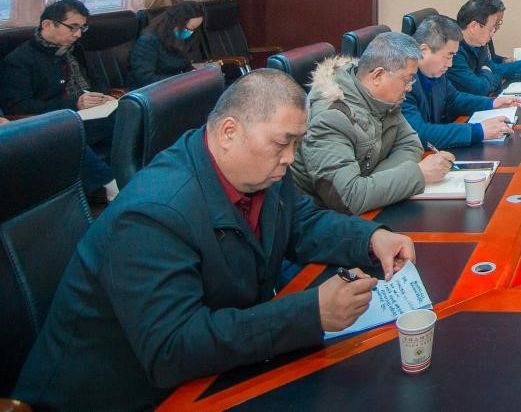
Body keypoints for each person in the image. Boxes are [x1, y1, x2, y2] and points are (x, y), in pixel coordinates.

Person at [14, 70, 417, 411]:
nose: (291, 157)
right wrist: (310, 313)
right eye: (283, 143)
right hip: (118, 395)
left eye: (297, 142)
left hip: (209, 373)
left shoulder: (260, 172)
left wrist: (370, 237)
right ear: (228, 132)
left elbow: (301, 223)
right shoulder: (152, 215)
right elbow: (172, 349)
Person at [290, 32, 455, 215]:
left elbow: (410, 143)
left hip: (367, 211)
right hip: (323, 220)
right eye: (407, 80)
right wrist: (418, 174)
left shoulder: (382, 98)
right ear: (378, 76)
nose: (410, 88)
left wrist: (372, 184)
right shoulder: (331, 117)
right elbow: (348, 198)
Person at [0, 0, 116, 194]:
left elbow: (96, 80)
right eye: (73, 27)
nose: (78, 34)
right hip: (56, 121)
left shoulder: (75, 50)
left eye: (82, 28)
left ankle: (138, 173)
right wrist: (74, 103)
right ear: (47, 25)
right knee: (67, 134)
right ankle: (108, 186)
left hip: (93, 113)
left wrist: (104, 97)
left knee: (132, 115)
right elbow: (18, 108)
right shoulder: (20, 61)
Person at [402, 14, 521, 148]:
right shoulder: (402, 82)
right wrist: (478, 131)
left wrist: (492, 103)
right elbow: (418, 134)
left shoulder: (435, 72)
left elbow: (454, 99)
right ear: (424, 50)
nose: (450, 64)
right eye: (448, 56)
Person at [449, 0, 521, 97]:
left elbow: (495, 70)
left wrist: (486, 77)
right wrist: (487, 73)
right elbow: (479, 89)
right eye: (491, 28)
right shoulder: (453, 51)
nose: (493, 33)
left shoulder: (478, 44)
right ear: (474, 26)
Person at [127, 0, 206, 88]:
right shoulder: (149, 40)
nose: (191, 32)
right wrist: (180, 81)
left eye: (194, 29)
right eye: (190, 28)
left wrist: (193, 74)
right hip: (151, 89)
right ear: (176, 22)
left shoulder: (182, 38)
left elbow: (184, 65)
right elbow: (145, 78)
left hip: (175, 86)